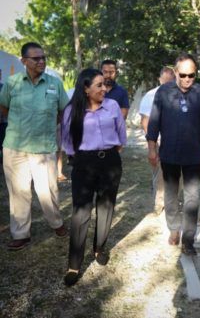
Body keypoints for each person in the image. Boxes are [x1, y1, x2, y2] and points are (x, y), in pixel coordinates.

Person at [0, 42, 68, 251]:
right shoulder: (12, 83)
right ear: (24, 61)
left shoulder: (54, 83)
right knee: (19, 192)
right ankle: (21, 234)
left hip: (44, 147)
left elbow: (63, 111)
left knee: (48, 191)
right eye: (36, 58)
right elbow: (4, 109)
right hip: (15, 147)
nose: (41, 61)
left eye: (43, 57)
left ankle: (56, 223)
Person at [61, 68, 127, 286]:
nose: (104, 89)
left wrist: (109, 153)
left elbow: (121, 134)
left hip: (109, 161)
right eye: (98, 85)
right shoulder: (72, 110)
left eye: (104, 85)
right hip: (83, 162)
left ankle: (99, 248)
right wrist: (81, 158)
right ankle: (74, 263)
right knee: (81, 212)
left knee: (106, 207)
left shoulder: (112, 106)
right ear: (85, 88)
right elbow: (67, 142)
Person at [146, 53, 200, 256]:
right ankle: (174, 229)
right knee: (171, 195)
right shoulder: (163, 92)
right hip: (169, 154)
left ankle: (189, 239)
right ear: (175, 72)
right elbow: (154, 124)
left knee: (192, 197)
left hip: (193, 155)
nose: (187, 79)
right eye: (183, 74)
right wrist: (152, 149)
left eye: (191, 75)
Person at [138, 66, 175, 213]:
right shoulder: (151, 95)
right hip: (158, 141)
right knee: (159, 174)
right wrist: (153, 143)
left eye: (170, 81)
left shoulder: (179, 94)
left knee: (173, 174)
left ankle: (171, 201)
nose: (166, 84)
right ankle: (159, 204)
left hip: (174, 141)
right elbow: (145, 121)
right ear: (159, 79)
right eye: (164, 81)